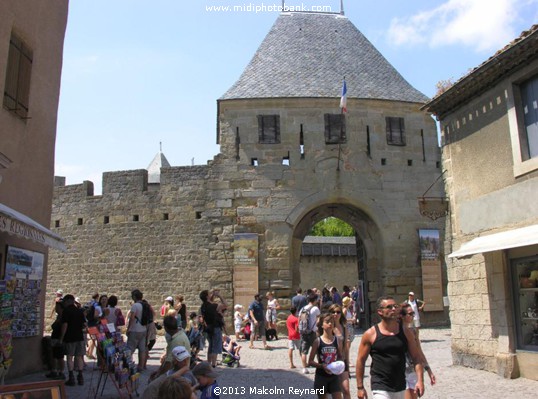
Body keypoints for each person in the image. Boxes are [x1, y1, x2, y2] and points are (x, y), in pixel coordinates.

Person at [356, 296, 425, 399]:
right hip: (380, 385)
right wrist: (360, 387)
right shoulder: (370, 334)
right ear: (380, 311)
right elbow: (361, 360)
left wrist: (420, 380)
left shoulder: (406, 332)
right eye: (389, 307)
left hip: (401, 385)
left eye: (395, 306)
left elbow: (416, 357)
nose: (393, 309)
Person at [400, 304, 436, 399]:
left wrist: (429, 370)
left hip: (413, 371)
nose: (413, 315)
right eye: (410, 313)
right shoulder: (396, 332)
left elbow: (419, 352)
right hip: (401, 372)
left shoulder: (414, 331)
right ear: (402, 316)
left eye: (413, 313)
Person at [308, 312, 344, 399]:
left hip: (334, 376)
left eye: (332, 322)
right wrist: (322, 366)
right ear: (322, 325)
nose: (330, 324)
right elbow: (310, 361)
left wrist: (339, 365)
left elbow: (340, 356)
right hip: (321, 376)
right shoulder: (317, 341)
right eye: (327, 322)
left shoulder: (337, 340)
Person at [149, 315, 191, 382]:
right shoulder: (180, 335)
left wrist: (159, 375)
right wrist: (158, 370)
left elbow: (169, 363)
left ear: (166, 328)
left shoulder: (176, 341)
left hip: (177, 375)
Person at [59, 294, 86, 386]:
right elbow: (84, 325)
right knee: (79, 357)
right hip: (79, 337)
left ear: (67, 301)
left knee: (70, 357)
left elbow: (65, 325)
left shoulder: (66, 311)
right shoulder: (79, 311)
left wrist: (61, 338)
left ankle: (71, 377)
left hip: (70, 337)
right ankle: (80, 376)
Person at [199, 289, 226, 367]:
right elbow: (225, 304)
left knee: (211, 345)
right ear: (207, 296)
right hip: (216, 327)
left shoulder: (203, 305)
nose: (211, 294)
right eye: (209, 294)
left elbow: (209, 302)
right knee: (215, 346)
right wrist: (219, 296)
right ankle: (213, 364)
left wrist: (213, 295)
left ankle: (208, 363)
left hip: (209, 328)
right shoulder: (214, 306)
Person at [329, 304, 351, 399]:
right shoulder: (327, 327)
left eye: (338, 312)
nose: (335, 314)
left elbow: (346, 347)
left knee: (346, 389)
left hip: (342, 360)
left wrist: (348, 364)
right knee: (335, 392)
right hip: (330, 360)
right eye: (333, 312)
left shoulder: (344, 327)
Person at [127, 289, 148, 372]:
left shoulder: (135, 306)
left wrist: (128, 329)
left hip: (135, 329)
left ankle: (128, 365)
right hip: (143, 329)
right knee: (142, 349)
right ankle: (141, 366)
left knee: (130, 348)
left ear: (134, 297)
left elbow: (132, 318)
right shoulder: (145, 305)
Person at [300, 293, 320, 374]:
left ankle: (304, 368)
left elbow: (300, 319)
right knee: (317, 349)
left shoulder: (303, 308)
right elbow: (318, 320)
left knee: (304, 351)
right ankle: (319, 365)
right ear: (314, 300)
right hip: (313, 332)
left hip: (304, 332)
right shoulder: (315, 308)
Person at [46, 299, 65, 380]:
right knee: (54, 355)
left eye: (57, 307)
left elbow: (64, 328)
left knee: (59, 356)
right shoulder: (58, 317)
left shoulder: (63, 317)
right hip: (55, 338)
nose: (56, 308)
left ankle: (61, 372)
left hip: (58, 338)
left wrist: (61, 339)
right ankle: (54, 371)